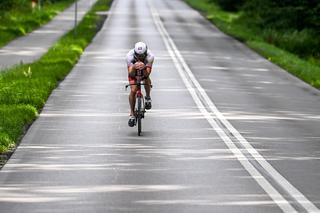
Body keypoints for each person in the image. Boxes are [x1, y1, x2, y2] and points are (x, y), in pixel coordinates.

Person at [126, 42, 154, 127]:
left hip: (144, 70)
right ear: (135, 53)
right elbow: (130, 74)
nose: (139, 58)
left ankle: (148, 98)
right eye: (138, 55)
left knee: (146, 80)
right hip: (133, 72)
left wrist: (144, 67)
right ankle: (132, 113)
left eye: (142, 56)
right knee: (133, 90)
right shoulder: (129, 56)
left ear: (145, 54)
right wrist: (134, 67)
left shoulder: (150, 56)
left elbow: (147, 74)